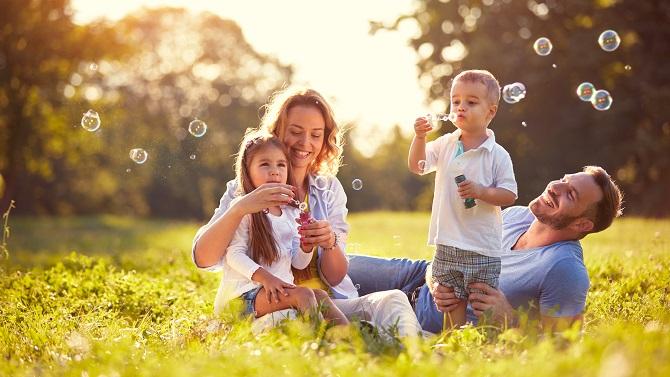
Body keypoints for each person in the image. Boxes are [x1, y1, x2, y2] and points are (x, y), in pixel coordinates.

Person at [193, 86, 422, 336]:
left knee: (393, 300)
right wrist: (239, 208)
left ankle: (416, 352)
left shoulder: (328, 189)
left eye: (316, 134)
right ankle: (350, 343)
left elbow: (334, 277)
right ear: (277, 131)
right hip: (270, 305)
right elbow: (204, 258)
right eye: (296, 131)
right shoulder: (245, 190)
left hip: (326, 302)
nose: (305, 143)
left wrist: (328, 242)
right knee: (297, 321)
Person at [347, 166, 623, 333]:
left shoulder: (565, 269)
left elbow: (563, 347)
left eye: (570, 194)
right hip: (418, 275)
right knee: (332, 265)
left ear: (582, 223)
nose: (555, 187)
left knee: (330, 309)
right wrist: (434, 277)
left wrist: (510, 320)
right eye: (564, 180)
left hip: (429, 318)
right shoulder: (516, 215)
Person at [408, 69, 517, 328]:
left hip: (482, 245)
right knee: (451, 300)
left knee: (482, 302)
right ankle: (454, 343)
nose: (460, 107)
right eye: (455, 101)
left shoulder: (496, 155)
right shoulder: (446, 144)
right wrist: (420, 137)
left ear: (490, 112)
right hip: (448, 241)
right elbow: (418, 165)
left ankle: (491, 344)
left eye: (471, 102)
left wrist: (481, 192)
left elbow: (509, 194)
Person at [221, 131, 348, 325]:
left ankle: (351, 339)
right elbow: (233, 255)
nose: (275, 171)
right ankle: (318, 341)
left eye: (281, 164)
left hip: (277, 291)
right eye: (265, 164)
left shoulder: (291, 212)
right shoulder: (243, 207)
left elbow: (298, 263)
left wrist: (306, 246)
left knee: (321, 296)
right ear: (247, 170)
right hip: (242, 297)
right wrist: (266, 279)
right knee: (304, 295)